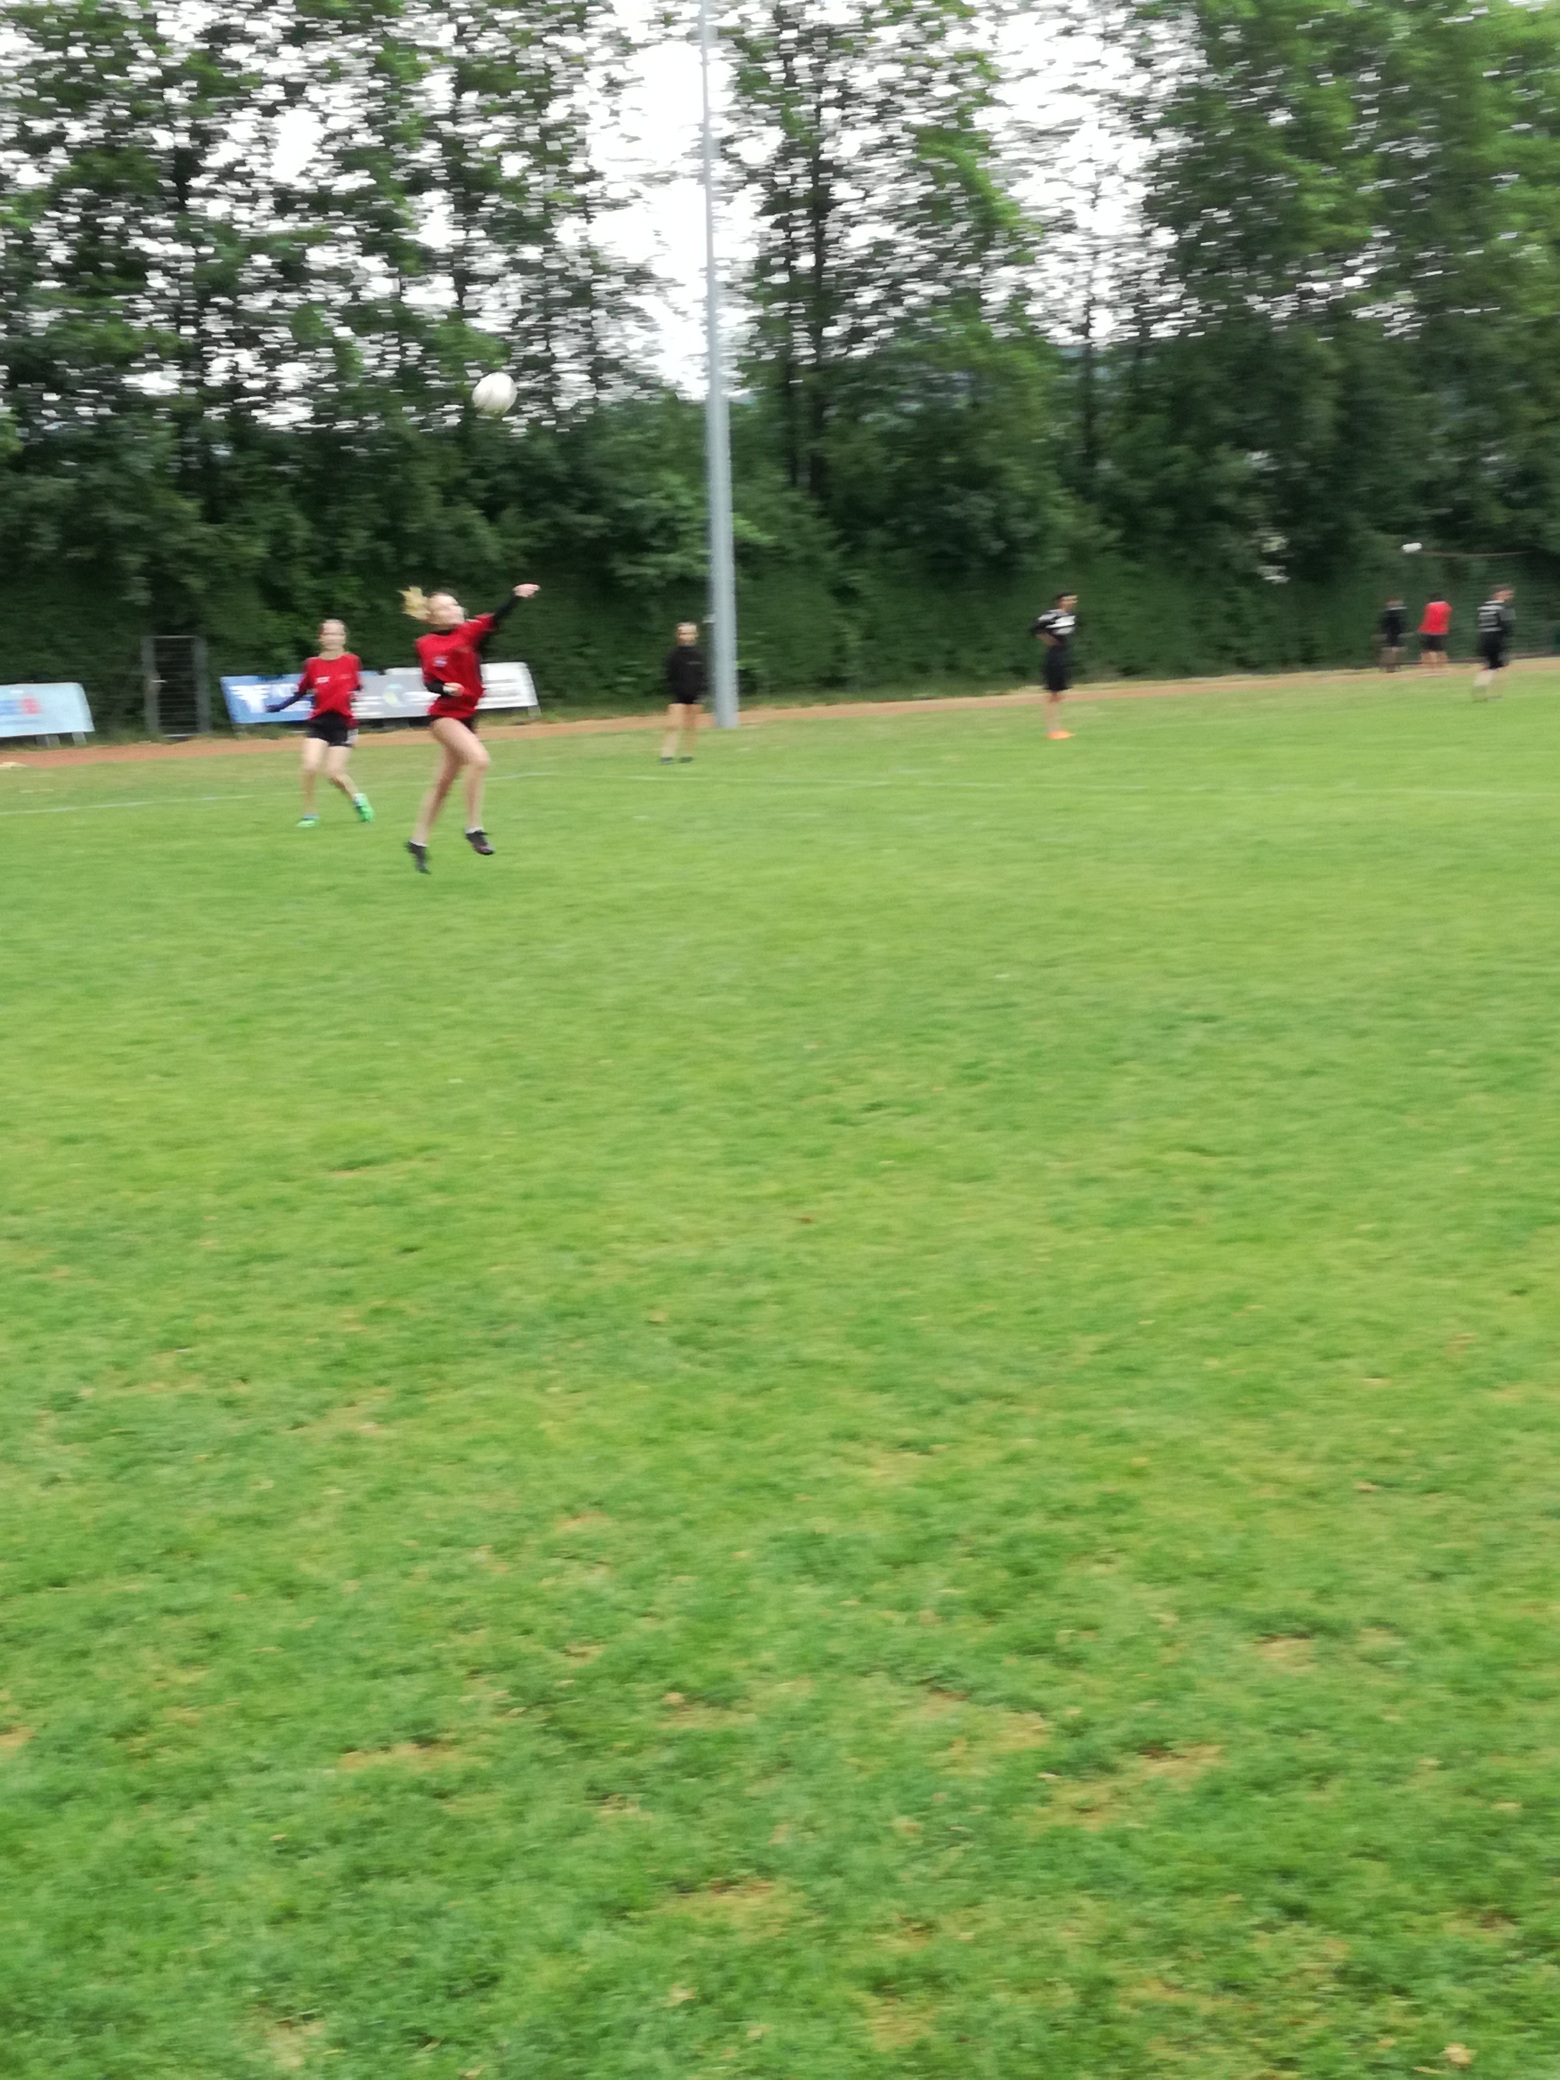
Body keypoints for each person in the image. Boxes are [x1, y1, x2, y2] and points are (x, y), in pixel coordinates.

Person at [400, 581, 540, 873]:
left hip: (468, 717)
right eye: (445, 607)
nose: (454, 609)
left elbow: (497, 618)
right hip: (443, 717)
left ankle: (417, 842)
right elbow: (429, 682)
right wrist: (445, 689)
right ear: (433, 617)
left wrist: (515, 597)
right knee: (479, 760)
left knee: (442, 785)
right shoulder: (425, 643)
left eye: (454, 604)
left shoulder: (470, 630)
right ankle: (474, 828)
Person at [267, 618, 374, 828]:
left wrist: (353, 696)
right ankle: (310, 815)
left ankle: (357, 799)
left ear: (344, 638)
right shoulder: (312, 664)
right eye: (328, 633)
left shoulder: (352, 661)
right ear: (321, 638)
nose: (333, 638)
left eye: (337, 633)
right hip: (319, 722)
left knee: (334, 774)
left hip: (343, 723)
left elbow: (357, 686)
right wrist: (279, 706)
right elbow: (301, 691)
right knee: (309, 767)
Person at [1031, 593, 1079, 739]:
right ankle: (1051, 730)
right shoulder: (1052, 615)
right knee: (1052, 694)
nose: (1072, 602)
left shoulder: (1071, 617)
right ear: (1061, 601)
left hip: (1063, 656)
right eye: (1068, 599)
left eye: (1073, 599)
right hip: (1054, 657)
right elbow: (1035, 629)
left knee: (1058, 695)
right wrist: (1049, 641)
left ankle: (1057, 728)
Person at [660, 622, 707, 765]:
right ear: (678, 635)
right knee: (672, 725)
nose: (685, 636)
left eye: (689, 633)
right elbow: (669, 675)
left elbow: (703, 675)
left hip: (695, 695)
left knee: (691, 726)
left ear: (695, 635)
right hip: (678, 695)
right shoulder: (674, 655)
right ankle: (667, 755)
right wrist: (673, 690)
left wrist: (702, 693)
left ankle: (687, 754)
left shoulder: (699, 654)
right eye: (682, 633)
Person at [1473, 586, 1516, 700]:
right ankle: (1496, 695)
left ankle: (1479, 686)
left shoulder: (1482, 607)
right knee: (1501, 667)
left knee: (1488, 665)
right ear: (1499, 595)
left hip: (1483, 639)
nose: (1509, 597)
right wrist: (1507, 641)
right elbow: (1507, 627)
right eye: (1507, 594)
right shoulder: (1504, 607)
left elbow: (1478, 623)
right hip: (1496, 639)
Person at [1419, 593, 1452, 671]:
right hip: (1442, 631)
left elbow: (1428, 619)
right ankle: (1443, 666)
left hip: (1429, 631)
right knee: (1440, 649)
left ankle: (1432, 667)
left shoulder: (1429, 606)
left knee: (1429, 650)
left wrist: (1422, 629)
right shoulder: (1446, 606)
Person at [1379, 597, 1406, 672]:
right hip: (1391, 634)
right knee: (1392, 650)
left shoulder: (1397, 612)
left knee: (1397, 649)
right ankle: (1390, 667)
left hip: (1395, 633)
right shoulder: (1389, 612)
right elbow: (1385, 624)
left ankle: (1393, 666)